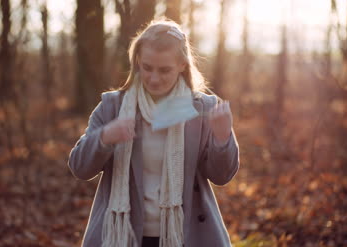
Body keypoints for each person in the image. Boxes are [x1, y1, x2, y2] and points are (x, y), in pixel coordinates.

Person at [68, 19, 240, 247]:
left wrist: (222, 138)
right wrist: (105, 137)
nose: (154, 78)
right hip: (123, 235)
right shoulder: (113, 107)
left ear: (182, 65)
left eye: (164, 70)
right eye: (147, 67)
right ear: (137, 61)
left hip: (185, 236)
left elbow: (222, 176)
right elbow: (79, 168)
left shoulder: (202, 108)